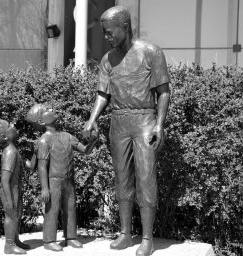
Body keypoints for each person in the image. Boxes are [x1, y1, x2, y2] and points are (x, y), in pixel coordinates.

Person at [82, 6, 171, 256]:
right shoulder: (107, 60)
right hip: (119, 122)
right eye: (104, 34)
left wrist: (159, 124)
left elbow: (163, 92)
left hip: (145, 120)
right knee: (122, 179)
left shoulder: (151, 52)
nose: (107, 38)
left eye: (110, 33)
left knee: (145, 179)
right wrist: (91, 119)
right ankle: (124, 232)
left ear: (125, 27)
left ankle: (146, 238)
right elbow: (103, 94)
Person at [26, 104, 98, 252]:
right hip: (53, 181)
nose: (51, 109)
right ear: (41, 122)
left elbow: (85, 151)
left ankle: (70, 237)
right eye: (46, 111)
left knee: (70, 208)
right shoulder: (44, 141)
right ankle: (49, 240)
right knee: (52, 210)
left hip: (69, 180)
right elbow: (41, 166)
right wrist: (45, 188)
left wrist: (93, 141)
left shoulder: (67, 136)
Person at [0, 118, 36, 254]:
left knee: (17, 215)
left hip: (15, 189)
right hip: (9, 191)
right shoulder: (10, 152)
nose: (13, 125)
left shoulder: (14, 150)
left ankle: (15, 240)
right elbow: (4, 179)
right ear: (4, 136)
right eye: (9, 125)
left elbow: (30, 166)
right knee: (11, 216)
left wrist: (37, 152)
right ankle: (9, 245)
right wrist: (8, 199)